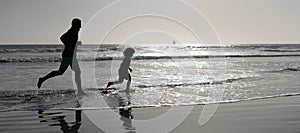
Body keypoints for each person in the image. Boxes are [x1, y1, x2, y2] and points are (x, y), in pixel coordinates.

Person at [37, 18, 83, 94]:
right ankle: (42, 79)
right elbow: (62, 38)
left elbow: (71, 41)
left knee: (69, 72)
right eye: (79, 24)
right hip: (68, 56)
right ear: (75, 24)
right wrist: (68, 46)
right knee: (71, 72)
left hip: (71, 56)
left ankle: (79, 91)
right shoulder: (72, 31)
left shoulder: (74, 31)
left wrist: (76, 43)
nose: (80, 26)